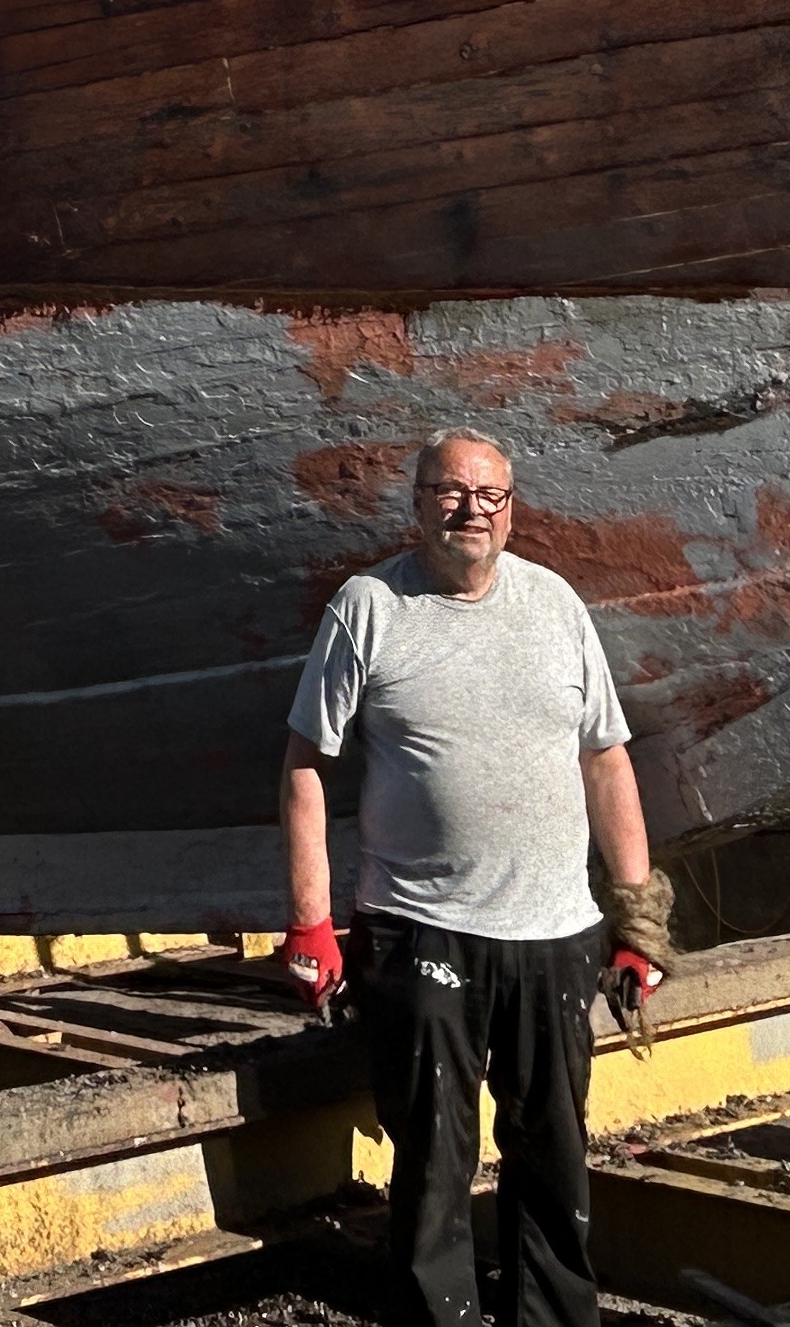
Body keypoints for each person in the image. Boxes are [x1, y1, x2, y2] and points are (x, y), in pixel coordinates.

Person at [277, 428, 678, 1327]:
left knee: (555, 1154)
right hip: (422, 931)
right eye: (450, 493)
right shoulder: (368, 608)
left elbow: (608, 761)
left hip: (554, 935)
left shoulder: (555, 603)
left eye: (489, 496)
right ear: (417, 503)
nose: (470, 511)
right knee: (432, 1162)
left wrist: (639, 921)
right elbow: (307, 764)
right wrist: (311, 923)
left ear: (511, 508)